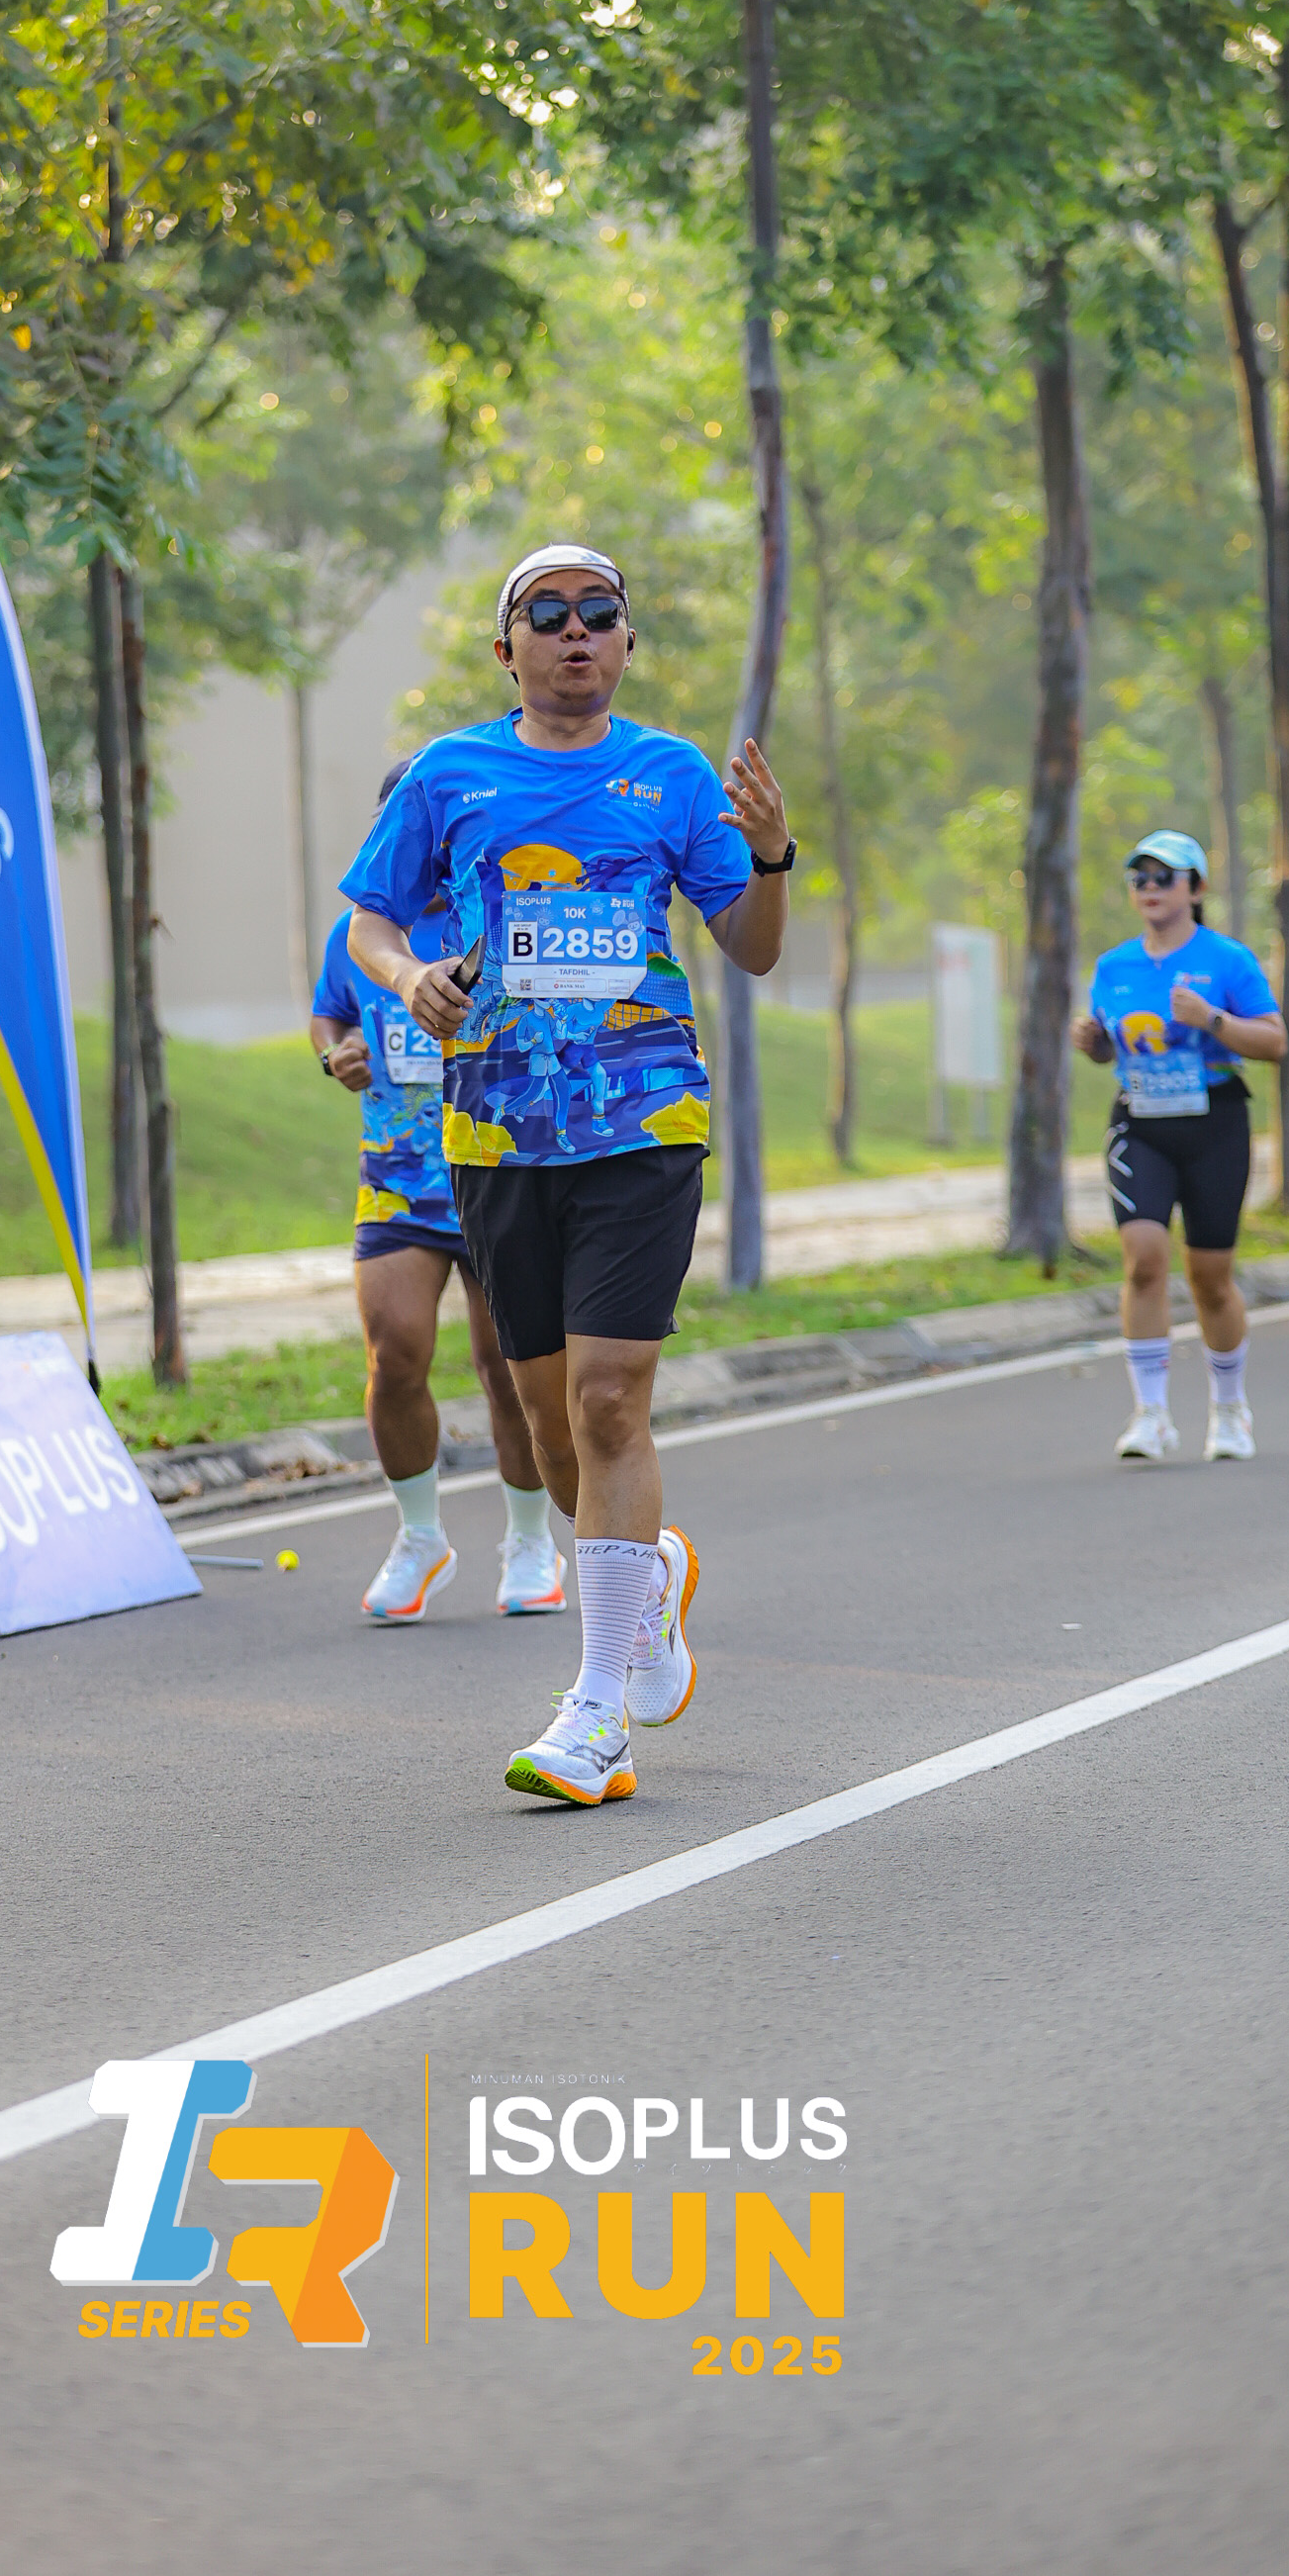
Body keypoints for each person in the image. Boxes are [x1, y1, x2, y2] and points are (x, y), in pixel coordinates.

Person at [342, 543, 792, 1805]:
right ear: (508, 651)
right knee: (546, 1426)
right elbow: (369, 920)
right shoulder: (448, 775)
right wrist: (407, 978)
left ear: (626, 642)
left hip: (642, 1124)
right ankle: (644, 1580)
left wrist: (768, 857)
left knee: (606, 1404)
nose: (576, 631)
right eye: (547, 615)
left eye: (599, 613)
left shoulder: (672, 775)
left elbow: (753, 950)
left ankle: (595, 1715)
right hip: (495, 1135)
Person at [312, 762, 567, 1621]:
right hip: (399, 1182)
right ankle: (420, 1537)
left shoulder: (496, 916)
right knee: (394, 1357)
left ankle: (529, 1539)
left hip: (498, 1169)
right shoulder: (360, 931)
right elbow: (330, 1011)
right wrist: (336, 1052)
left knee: (509, 1370)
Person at [1072, 830, 1286, 1463]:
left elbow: (1275, 1042)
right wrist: (1095, 1045)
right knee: (1143, 1259)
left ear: (1196, 888)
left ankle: (1230, 1409)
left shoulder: (1227, 960)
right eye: (1139, 877)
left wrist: (1213, 1020)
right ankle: (1151, 1415)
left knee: (1209, 1279)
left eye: (1164, 877)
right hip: (1140, 1120)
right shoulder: (1114, 966)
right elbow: (1114, 1043)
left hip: (1214, 1121)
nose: (1150, 888)